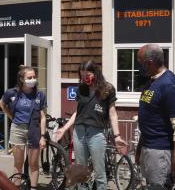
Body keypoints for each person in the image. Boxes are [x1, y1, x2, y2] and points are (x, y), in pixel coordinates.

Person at [54, 60, 127, 190]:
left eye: (87, 75)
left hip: (97, 133)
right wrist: (65, 128)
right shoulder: (81, 88)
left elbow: (112, 113)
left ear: (95, 72)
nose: (84, 79)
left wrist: (117, 136)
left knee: (100, 172)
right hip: (79, 132)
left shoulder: (107, 88)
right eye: (82, 76)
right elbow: (78, 112)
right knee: (81, 172)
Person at [0, 65, 47, 190]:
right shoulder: (12, 93)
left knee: (34, 164)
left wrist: (42, 136)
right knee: (18, 164)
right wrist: (11, 117)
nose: (33, 79)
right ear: (21, 79)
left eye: (34, 77)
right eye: (29, 77)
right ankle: (17, 187)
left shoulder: (39, 95)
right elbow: (2, 104)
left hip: (34, 130)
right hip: (17, 130)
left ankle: (33, 188)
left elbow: (43, 117)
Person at [135, 44, 175, 190]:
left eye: (140, 63)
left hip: (160, 151)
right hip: (148, 147)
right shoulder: (151, 82)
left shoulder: (169, 84)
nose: (139, 67)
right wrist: (140, 147)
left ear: (150, 63)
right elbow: (149, 117)